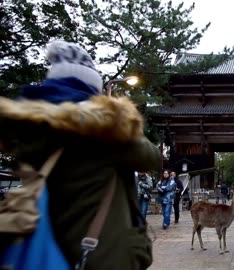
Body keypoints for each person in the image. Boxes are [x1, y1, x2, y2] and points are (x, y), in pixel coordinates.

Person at [0, 40, 161, 269]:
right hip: (101, 252)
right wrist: (120, 119)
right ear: (92, 88)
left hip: (44, 246)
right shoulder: (104, 130)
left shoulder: (30, 130)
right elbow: (150, 157)